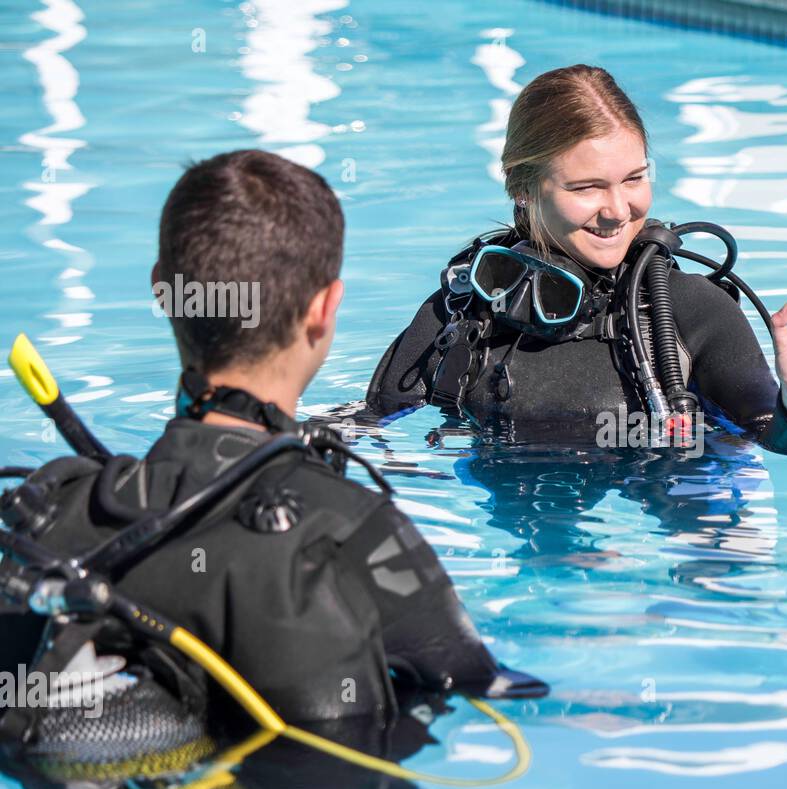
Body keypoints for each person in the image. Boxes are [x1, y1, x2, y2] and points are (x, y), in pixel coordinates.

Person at [0, 149, 545, 741]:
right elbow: (490, 695)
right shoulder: (358, 533)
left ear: (163, 293)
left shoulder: (50, 514)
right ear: (324, 311)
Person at [365, 64, 787, 457]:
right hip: (516, 527)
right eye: (587, 187)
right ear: (522, 188)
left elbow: (780, 447)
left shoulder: (687, 311)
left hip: (680, 500)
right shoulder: (463, 310)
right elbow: (368, 429)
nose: (618, 211)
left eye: (634, 179)